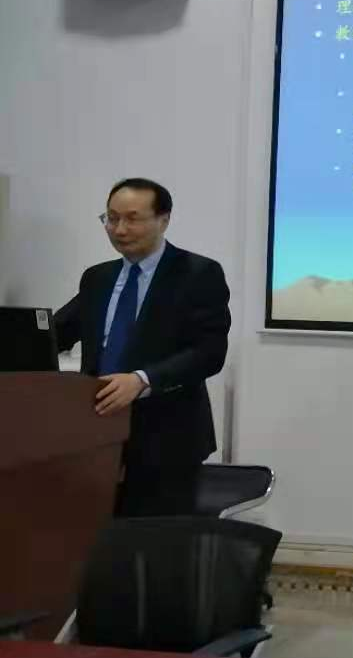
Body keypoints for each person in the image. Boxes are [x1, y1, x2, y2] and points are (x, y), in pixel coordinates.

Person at [54, 178, 230, 517]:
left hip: (167, 435)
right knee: (95, 531)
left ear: (163, 220)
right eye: (111, 218)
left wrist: (142, 380)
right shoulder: (97, 278)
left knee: (157, 540)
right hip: (98, 431)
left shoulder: (197, 273)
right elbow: (55, 333)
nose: (119, 229)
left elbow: (208, 352)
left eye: (132, 218)